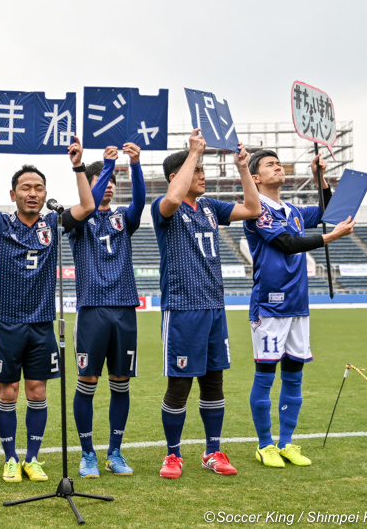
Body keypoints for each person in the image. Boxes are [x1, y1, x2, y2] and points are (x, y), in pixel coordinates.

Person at [0, 136, 96, 483]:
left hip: (41, 324)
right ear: (13, 195)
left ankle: (32, 458)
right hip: (6, 322)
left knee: (38, 391)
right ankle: (10, 459)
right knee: (8, 392)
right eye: (25, 187)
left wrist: (78, 165)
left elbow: (87, 206)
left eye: (38, 187)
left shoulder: (53, 223)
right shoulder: (0, 225)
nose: (33, 193)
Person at [152, 129, 261, 479]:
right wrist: (193, 154)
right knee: (180, 385)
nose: (203, 175)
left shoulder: (211, 206)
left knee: (214, 382)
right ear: (178, 174)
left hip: (214, 307)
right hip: (183, 309)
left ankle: (212, 451)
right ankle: (173, 455)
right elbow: (172, 197)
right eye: (197, 170)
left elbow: (254, 208)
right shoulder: (163, 206)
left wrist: (244, 168)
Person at [245, 150, 355, 467]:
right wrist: (330, 237)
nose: (278, 167)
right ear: (255, 178)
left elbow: (328, 210)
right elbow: (287, 244)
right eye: (270, 164)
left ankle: (287, 443)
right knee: (265, 376)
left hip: (298, 306)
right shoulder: (255, 209)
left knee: (294, 377)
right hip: (269, 305)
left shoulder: (293, 210)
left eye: (279, 163)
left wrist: (321, 177)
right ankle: (265, 445)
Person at [65, 143, 145, 478]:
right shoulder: (77, 221)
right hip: (92, 310)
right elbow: (89, 201)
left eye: (112, 179)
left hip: (124, 308)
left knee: (120, 383)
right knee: (87, 381)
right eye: (102, 178)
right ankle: (87, 454)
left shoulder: (123, 218)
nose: (109, 184)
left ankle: (115, 452)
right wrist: (105, 166)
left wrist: (135, 165)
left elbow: (140, 203)